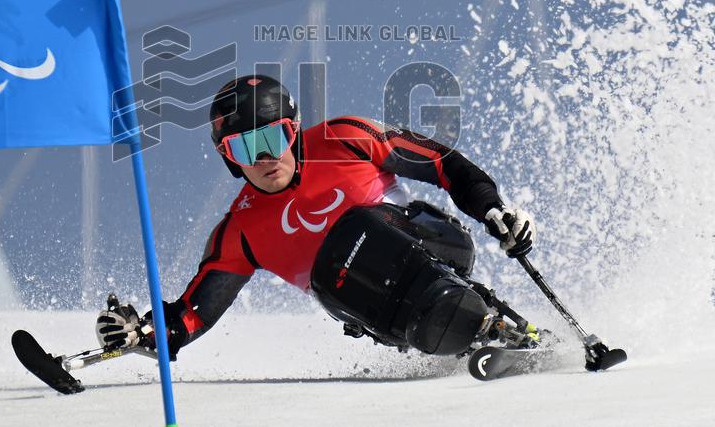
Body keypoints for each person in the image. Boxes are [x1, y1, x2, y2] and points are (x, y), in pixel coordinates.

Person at [96, 74, 537, 359]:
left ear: (294, 130)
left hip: (433, 246)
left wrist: (492, 210)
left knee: (358, 230)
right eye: (245, 148)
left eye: (275, 137)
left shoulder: (344, 138)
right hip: (384, 312)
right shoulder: (240, 231)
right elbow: (192, 315)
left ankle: (486, 322)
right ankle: (473, 338)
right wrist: (143, 333)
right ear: (229, 159)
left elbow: (443, 164)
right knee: (333, 269)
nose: (266, 157)